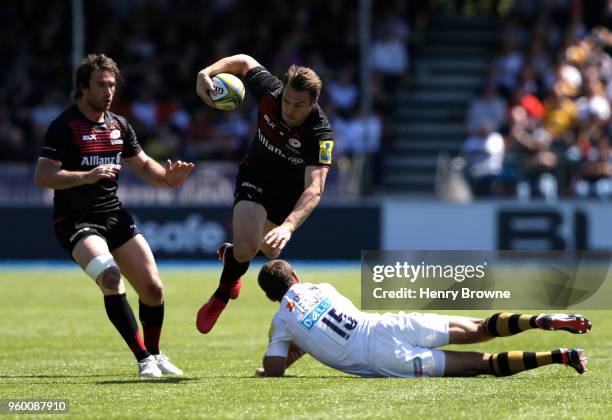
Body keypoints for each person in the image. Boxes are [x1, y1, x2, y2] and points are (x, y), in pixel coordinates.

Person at [34, 54, 194, 377]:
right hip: (76, 221)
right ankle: (143, 359)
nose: (108, 91)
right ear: (82, 88)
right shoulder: (64, 127)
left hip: (113, 215)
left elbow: (144, 163)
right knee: (111, 277)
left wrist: (167, 177)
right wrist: (86, 176)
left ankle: (157, 353)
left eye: (112, 85)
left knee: (153, 289)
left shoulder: (119, 124)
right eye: (101, 85)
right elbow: (43, 176)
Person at [254, 260, 591, 378]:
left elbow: (274, 369)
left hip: (381, 357)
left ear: (271, 297)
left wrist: (280, 354)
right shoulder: (320, 286)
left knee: (481, 364)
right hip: (386, 324)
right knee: (478, 328)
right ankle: (538, 319)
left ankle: (560, 357)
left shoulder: (282, 321)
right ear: (295, 277)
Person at [194, 55, 334, 333]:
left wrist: (289, 225)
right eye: (287, 102)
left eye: (299, 105)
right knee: (248, 247)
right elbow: (245, 62)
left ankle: (234, 256)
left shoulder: (320, 134)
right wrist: (205, 72)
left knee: (270, 249)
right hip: (255, 175)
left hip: (288, 193)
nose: (289, 110)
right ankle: (222, 295)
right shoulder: (271, 91)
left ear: (314, 103)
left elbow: (315, 188)